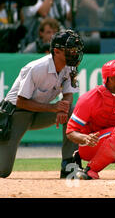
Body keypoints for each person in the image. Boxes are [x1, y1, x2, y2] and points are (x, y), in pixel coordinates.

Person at [0, 29, 84, 179]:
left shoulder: (69, 66)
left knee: (72, 112)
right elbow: (21, 101)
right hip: (16, 113)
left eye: (75, 49)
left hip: (39, 111)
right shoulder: (37, 68)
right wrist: (53, 107)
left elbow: (69, 94)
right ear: (57, 51)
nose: (74, 52)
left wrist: (63, 108)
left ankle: (69, 165)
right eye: (70, 49)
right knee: (3, 171)